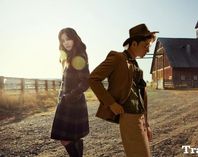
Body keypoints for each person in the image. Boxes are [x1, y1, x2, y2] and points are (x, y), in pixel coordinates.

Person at [89, 23, 158, 157]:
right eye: (146, 46)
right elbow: (93, 79)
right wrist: (111, 104)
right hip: (129, 117)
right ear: (134, 44)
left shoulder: (135, 63)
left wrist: (147, 123)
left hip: (140, 118)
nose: (148, 50)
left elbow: (141, 96)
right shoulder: (118, 58)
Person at [51, 27, 90, 157]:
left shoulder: (79, 56)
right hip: (66, 102)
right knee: (72, 138)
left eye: (68, 39)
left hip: (73, 102)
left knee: (65, 138)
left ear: (74, 38)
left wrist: (70, 96)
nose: (66, 43)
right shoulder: (68, 56)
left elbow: (85, 82)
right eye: (63, 40)